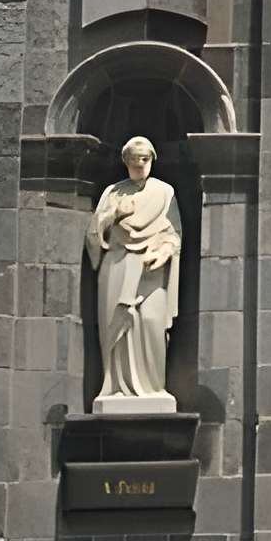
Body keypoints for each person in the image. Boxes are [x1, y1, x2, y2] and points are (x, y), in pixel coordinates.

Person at [85, 135, 182, 410]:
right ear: (125, 161)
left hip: (151, 271)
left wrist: (162, 252)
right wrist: (113, 213)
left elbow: (174, 234)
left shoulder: (165, 192)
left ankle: (153, 387)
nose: (140, 164)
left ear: (152, 159)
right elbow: (93, 233)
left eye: (145, 158)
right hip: (117, 264)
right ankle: (115, 387)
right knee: (118, 325)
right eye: (134, 159)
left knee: (151, 323)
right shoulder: (113, 193)